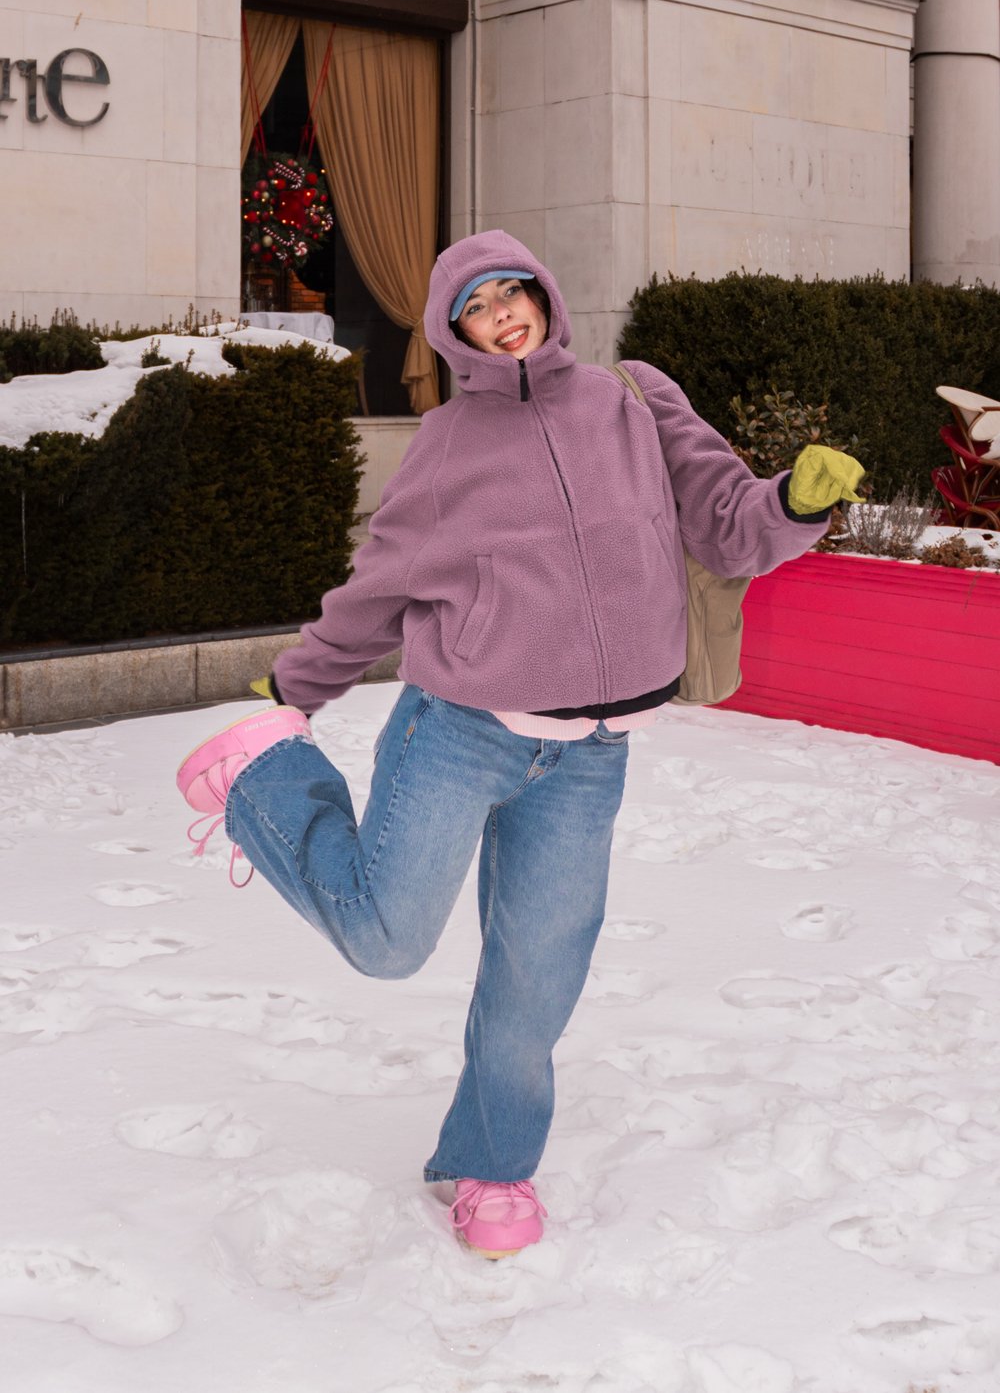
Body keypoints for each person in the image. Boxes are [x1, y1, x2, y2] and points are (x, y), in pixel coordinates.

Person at [177, 230, 864, 1259]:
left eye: (515, 292)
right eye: (477, 305)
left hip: (591, 755)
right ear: (452, 334)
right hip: (461, 733)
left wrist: (795, 503)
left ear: (545, 294)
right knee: (385, 938)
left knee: (537, 971)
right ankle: (261, 783)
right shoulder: (447, 448)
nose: (504, 314)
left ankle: (489, 1166)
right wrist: (295, 691)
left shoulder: (631, 397)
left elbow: (727, 527)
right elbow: (381, 587)